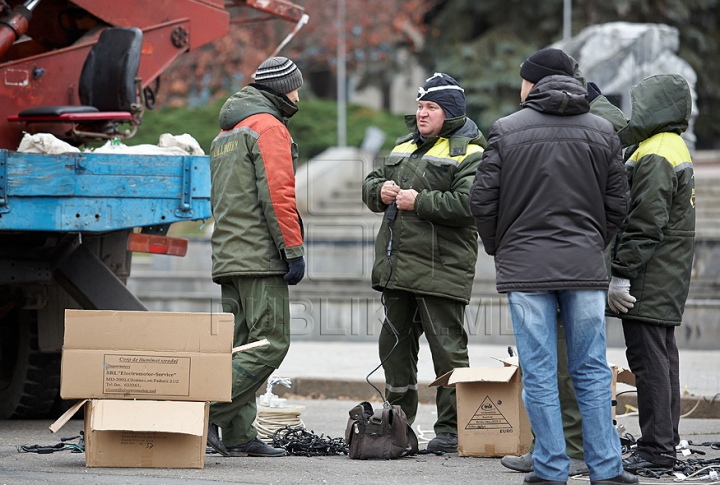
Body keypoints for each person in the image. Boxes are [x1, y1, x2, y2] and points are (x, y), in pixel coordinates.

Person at [470, 48, 637, 485]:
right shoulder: (602, 131)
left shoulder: (506, 129)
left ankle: (550, 468)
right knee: (592, 369)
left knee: (540, 370)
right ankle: (606, 469)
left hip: (525, 268)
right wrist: (590, 242)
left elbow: (482, 202)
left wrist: (499, 249)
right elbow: (618, 205)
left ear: (533, 84)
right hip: (583, 266)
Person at [361, 73, 485, 453]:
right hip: (399, 268)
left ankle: (451, 429)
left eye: (430, 107)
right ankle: (398, 424)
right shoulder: (402, 146)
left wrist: (421, 202)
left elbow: (470, 205)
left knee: (447, 350)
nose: (421, 113)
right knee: (393, 347)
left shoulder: (473, 152)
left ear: (450, 113)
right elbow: (371, 182)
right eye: (419, 106)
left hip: (442, 269)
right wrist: (377, 191)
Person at [207, 56, 305, 457]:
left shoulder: (226, 133)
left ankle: (237, 435)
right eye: (296, 86)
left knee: (242, 346)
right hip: (259, 257)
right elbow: (277, 194)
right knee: (271, 342)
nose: (300, 95)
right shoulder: (268, 127)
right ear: (283, 89)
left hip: (229, 255)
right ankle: (201, 408)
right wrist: (293, 249)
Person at [606, 74, 695, 473]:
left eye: (640, 103)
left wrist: (621, 273)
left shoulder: (656, 152)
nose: (634, 112)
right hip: (665, 275)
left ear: (656, 106)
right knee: (663, 359)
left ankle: (657, 449)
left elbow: (645, 222)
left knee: (648, 362)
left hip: (648, 277)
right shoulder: (670, 146)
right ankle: (665, 440)